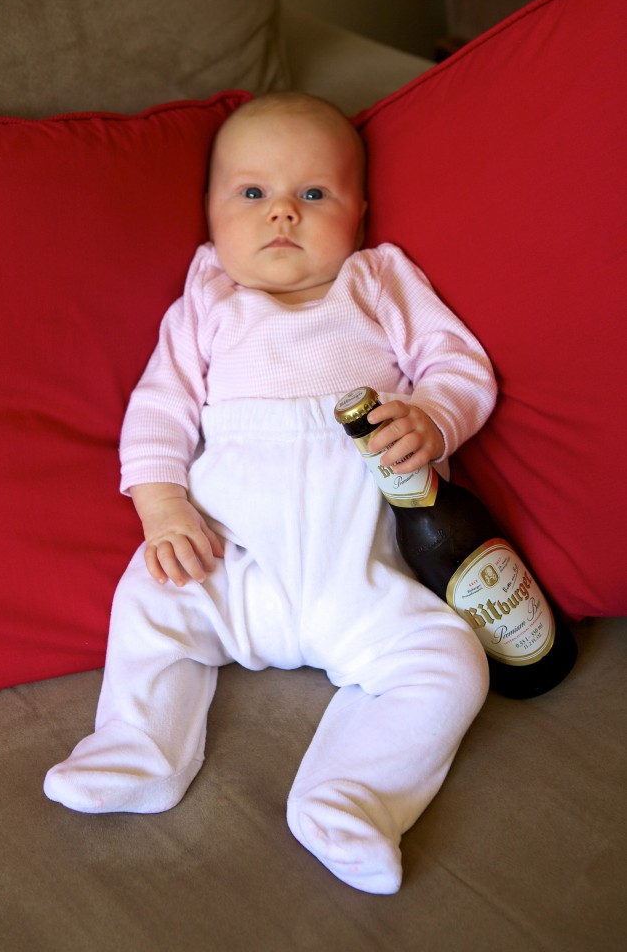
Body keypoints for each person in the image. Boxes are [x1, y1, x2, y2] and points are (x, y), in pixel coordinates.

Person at [44, 92, 497, 895]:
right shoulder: (207, 303)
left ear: (360, 211)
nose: (283, 212)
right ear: (211, 219)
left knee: (454, 661)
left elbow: (457, 365)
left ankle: (350, 796)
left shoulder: (380, 281)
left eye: (313, 194)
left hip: (365, 575)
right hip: (233, 563)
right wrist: (163, 508)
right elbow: (158, 409)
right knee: (149, 599)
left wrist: (433, 418)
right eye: (252, 194)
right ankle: (138, 748)